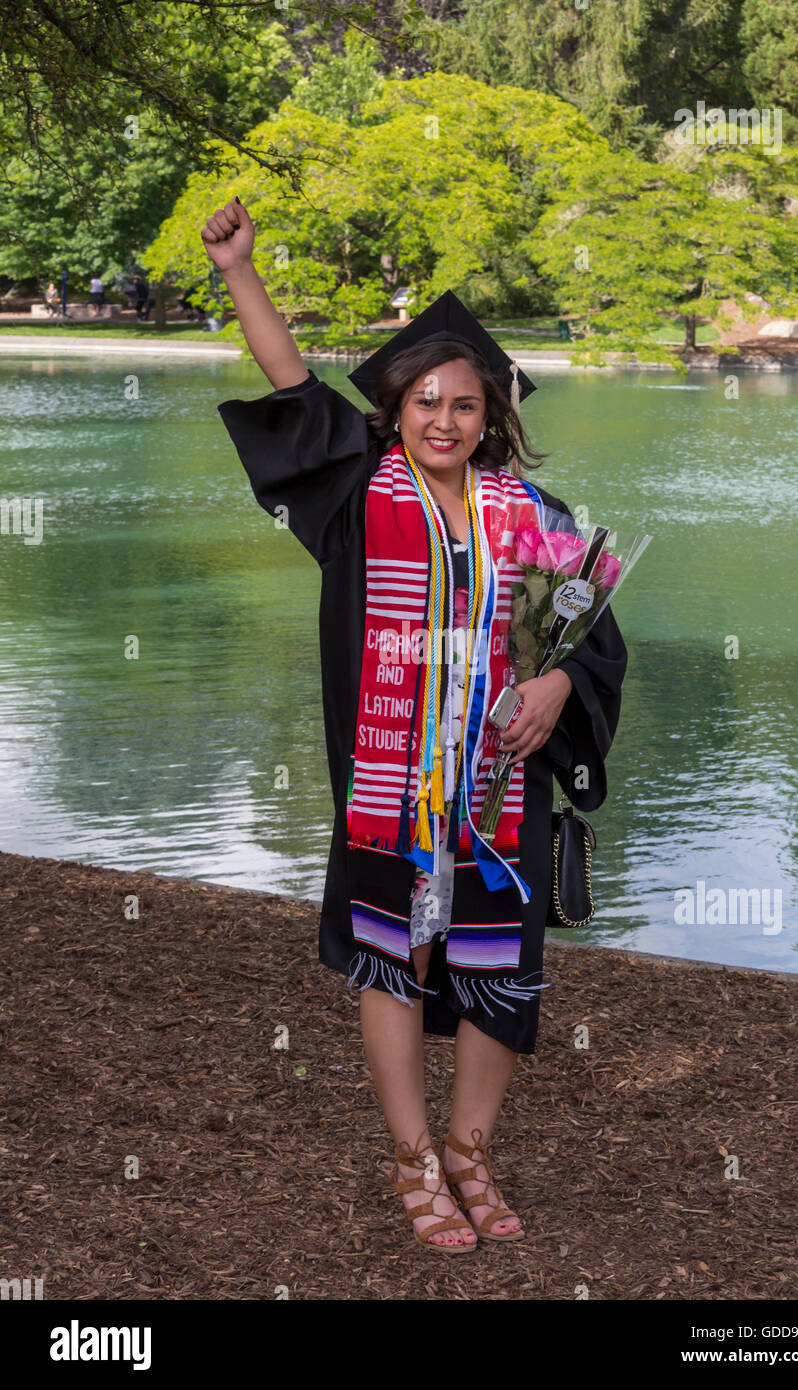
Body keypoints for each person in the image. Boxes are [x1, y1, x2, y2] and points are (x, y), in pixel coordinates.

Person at [204, 196, 628, 1254]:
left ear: (492, 417)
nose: (444, 420)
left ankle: (471, 1152)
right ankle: (411, 1161)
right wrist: (241, 273)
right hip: (393, 786)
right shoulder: (355, 492)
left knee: (496, 962)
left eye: (466, 406)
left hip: (500, 783)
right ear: (395, 408)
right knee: (391, 958)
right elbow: (293, 387)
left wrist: (559, 690)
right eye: (426, 402)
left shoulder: (537, 516)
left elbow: (594, 639)